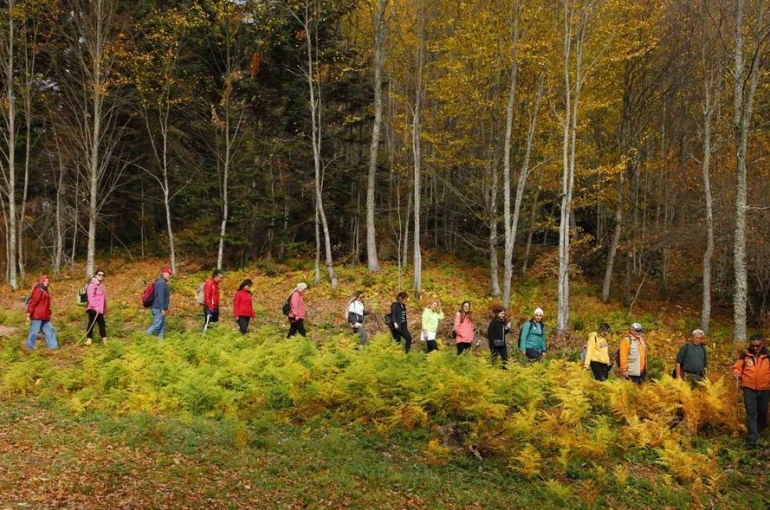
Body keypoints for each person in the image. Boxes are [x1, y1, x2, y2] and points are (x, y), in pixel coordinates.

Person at [732, 334, 770, 447]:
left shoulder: (768, 356)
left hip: (765, 388)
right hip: (749, 388)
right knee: (751, 412)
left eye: (757, 346)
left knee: (762, 412)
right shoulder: (745, 355)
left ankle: (759, 430)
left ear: (762, 344)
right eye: (752, 345)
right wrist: (736, 373)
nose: (755, 348)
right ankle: (752, 438)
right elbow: (737, 367)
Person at [25, 274, 59, 350]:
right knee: (34, 332)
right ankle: (29, 347)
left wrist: (49, 313)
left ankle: (53, 346)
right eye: (46, 281)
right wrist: (29, 312)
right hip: (37, 315)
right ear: (42, 281)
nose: (47, 282)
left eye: (48, 281)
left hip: (45, 316)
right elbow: (33, 302)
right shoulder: (38, 290)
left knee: (50, 330)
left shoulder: (45, 290)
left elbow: (46, 304)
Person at [146, 267, 171, 339]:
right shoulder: (162, 283)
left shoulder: (162, 282)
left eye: (170, 274)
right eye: (168, 273)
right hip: (158, 308)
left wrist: (165, 308)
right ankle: (142, 337)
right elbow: (161, 296)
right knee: (156, 325)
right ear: (164, 273)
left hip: (159, 307)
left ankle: (160, 343)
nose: (169, 275)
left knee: (162, 326)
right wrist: (162, 309)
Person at [85, 269, 107, 346]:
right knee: (92, 323)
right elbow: (90, 297)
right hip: (93, 308)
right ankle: (89, 340)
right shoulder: (92, 285)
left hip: (100, 309)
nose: (101, 276)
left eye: (102, 275)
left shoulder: (101, 285)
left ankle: (104, 341)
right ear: (95, 275)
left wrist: (103, 309)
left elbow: (103, 299)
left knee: (101, 324)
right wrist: (95, 307)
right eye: (99, 274)